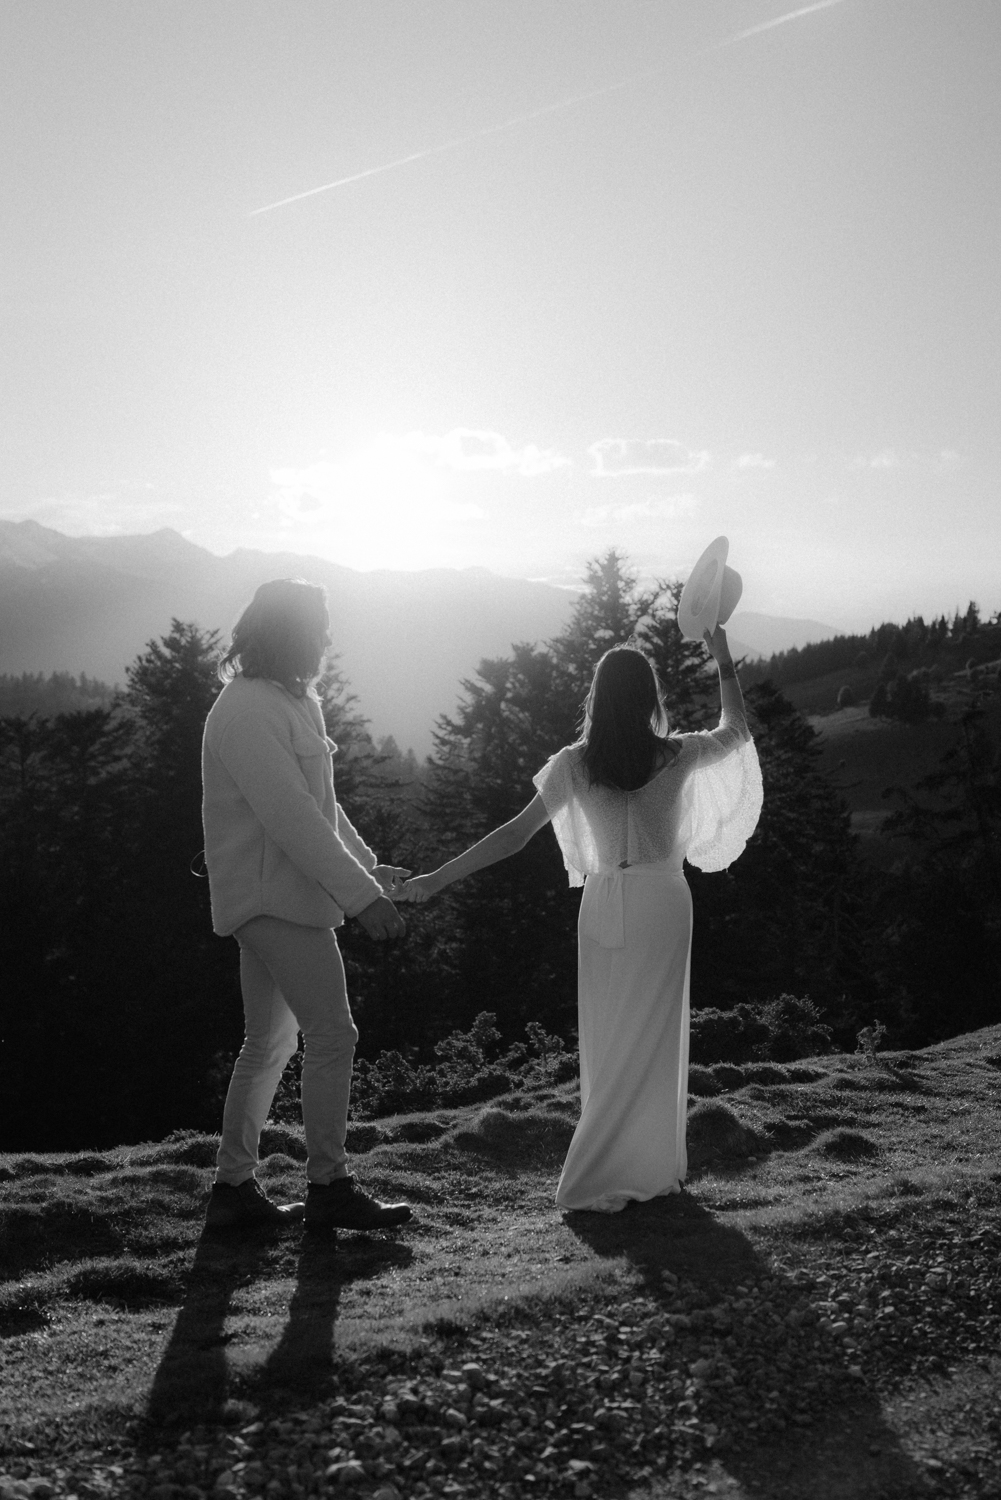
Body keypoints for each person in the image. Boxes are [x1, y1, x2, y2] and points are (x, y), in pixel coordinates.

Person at [400, 626, 762, 1213]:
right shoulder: (680, 753)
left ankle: (613, 1163)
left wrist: (434, 880)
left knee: (610, 1037)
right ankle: (640, 1167)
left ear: (597, 700)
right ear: (650, 699)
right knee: (654, 1038)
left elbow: (514, 837)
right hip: (663, 903)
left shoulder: (574, 764)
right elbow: (737, 730)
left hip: (602, 904)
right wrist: (722, 660)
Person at [200, 577, 413, 1233]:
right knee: (332, 1034)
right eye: (317, 627)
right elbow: (291, 819)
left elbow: (321, 806)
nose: (325, 639)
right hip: (274, 901)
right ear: (291, 632)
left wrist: (368, 865)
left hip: (281, 898)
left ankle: (235, 1189)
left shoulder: (292, 701)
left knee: (269, 1042)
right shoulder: (246, 711)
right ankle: (330, 1186)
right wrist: (362, 897)